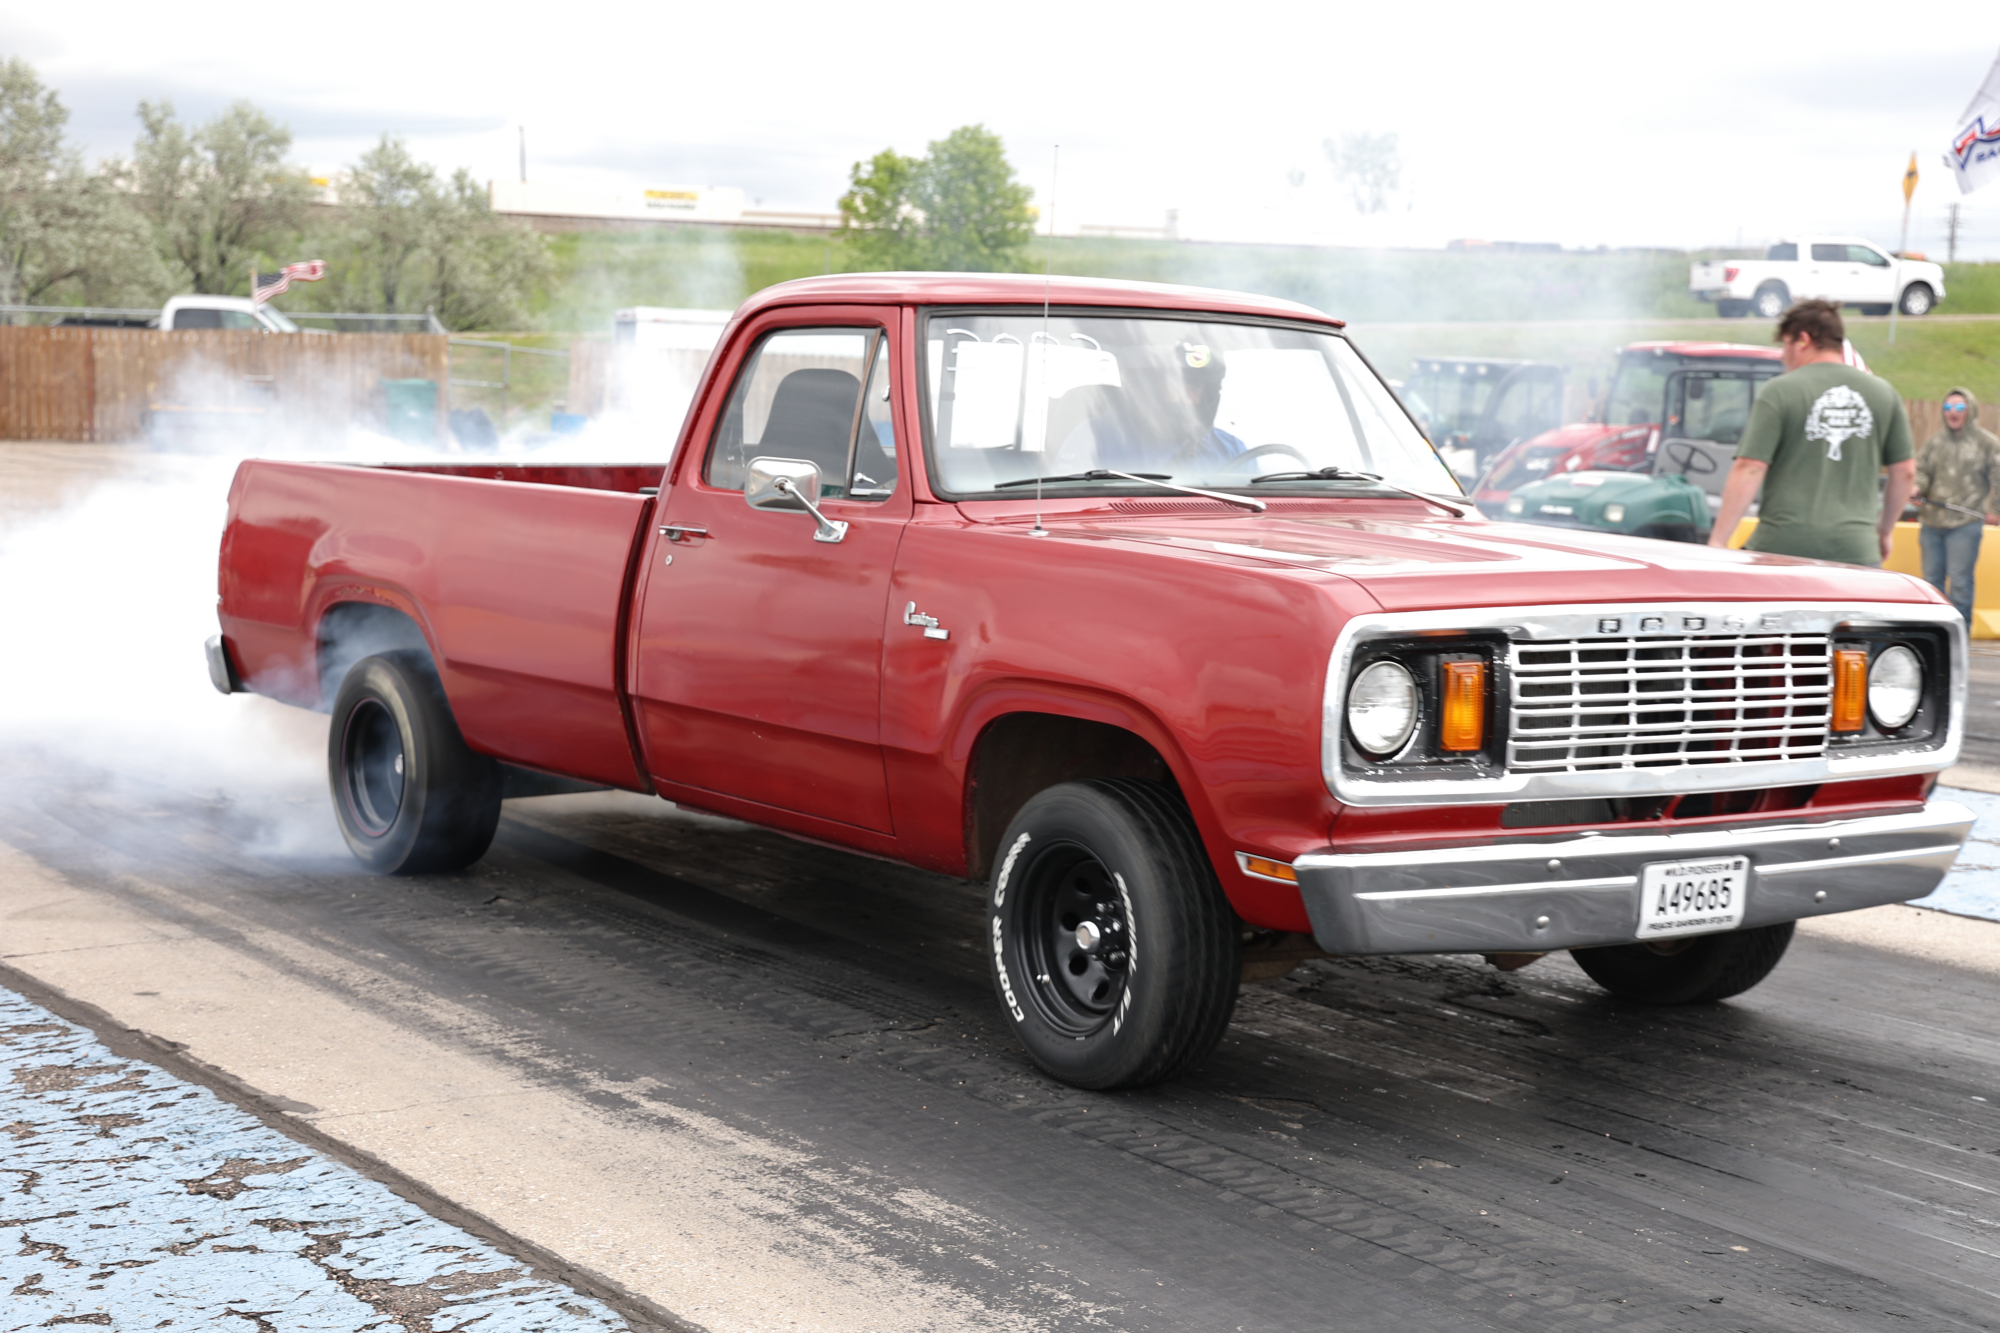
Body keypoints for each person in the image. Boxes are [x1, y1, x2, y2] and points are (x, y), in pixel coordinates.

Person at [1707, 300, 1915, 566]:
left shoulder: (1779, 391)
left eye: (1785, 345)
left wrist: (1718, 541)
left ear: (1803, 340)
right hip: (1857, 552)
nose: (1783, 356)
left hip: (1782, 549)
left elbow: (1750, 467)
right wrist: (1884, 531)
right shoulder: (1884, 393)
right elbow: (1905, 472)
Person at [1913, 388, 2000, 621]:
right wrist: (1917, 488)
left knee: (1960, 583)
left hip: (1965, 524)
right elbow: (1922, 470)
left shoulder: (1987, 443)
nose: (1953, 412)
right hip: (1931, 523)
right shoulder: (1935, 442)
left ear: (1970, 410)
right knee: (1931, 584)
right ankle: (1936, 633)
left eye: (1960, 407)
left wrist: (1996, 509)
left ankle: (1960, 633)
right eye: (1948, 407)